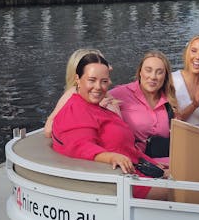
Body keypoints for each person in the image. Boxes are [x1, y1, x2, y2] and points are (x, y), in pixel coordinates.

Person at [51, 53, 168, 200]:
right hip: (121, 183)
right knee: (189, 192)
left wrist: (152, 163)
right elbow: (81, 147)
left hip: (136, 171)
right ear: (77, 79)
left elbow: (126, 147)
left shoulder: (97, 108)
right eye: (92, 80)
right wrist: (111, 157)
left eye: (104, 81)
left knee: (188, 175)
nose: (98, 87)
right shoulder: (75, 110)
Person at [108, 51, 177, 164]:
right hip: (134, 164)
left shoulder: (169, 102)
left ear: (165, 76)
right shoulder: (120, 93)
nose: (153, 77)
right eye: (148, 70)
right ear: (140, 72)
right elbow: (90, 99)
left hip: (166, 167)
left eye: (159, 72)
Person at [44, 48, 119, 138]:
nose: (109, 67)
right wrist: (96, 111)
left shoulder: (105, 94)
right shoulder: (73, 93)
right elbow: (49, 129)